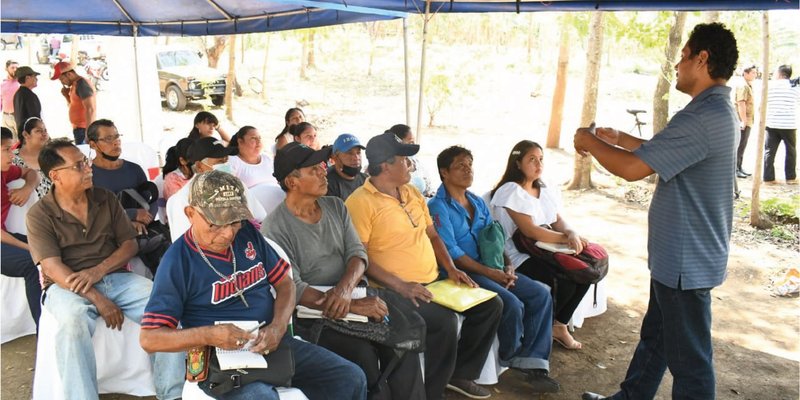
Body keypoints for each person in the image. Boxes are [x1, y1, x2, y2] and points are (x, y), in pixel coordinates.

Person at [574, 23, 739, 400]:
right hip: (681, 258)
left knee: (691, 364)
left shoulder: (700, 117)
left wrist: (589, 141)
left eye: (683, 57)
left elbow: (633, 169)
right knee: (658, 339)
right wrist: (620, 140)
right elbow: (662, 151)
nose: (678, 65)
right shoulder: (715, 110)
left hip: (685, 262)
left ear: (702, 59)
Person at [140, 170, 367, 400]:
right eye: (215, 224)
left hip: (270, 341)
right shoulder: (177, 261)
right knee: (259, 397)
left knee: (350, 377)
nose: (228, 233)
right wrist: (210, 335)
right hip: (217, 357)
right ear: (190, 213)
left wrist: (278, 327)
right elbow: (150, 338)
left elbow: (286, 285)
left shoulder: (247, 233)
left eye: (234, 221)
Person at [345, 131, 503, 400]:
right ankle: (432, 392)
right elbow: (361, 258)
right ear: (385, 165)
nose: (411, 165)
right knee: (444, 323)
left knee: (491, 305)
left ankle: (460, 374)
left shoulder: (412, 191)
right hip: (392, 289)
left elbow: (432, 234)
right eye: (405, 160)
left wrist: (452, 269)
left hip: (434, 280)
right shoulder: (360, 202)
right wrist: (402, 286)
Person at [25, 138, 185, 400]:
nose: (88, 168)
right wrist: (99, 299)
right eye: (78, 166)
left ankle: (172, 393)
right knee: (73, 321)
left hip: (114, 277)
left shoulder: (105, 198)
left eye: (85, 162)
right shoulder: (39, 214)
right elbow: (53, 268)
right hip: (66, 286)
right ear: (55, 176)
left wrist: (97, 272)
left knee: (164, 305)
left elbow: (129, 245)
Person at [263, 142, 425, 400]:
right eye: (314, 169)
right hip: (312, 313)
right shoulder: (274, 228)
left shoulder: (335, 206)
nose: (323, 171)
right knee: (363, 355)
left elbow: (358, 255)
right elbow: (293, 286)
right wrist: (348, 305)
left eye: (322, 166)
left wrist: (346, 291)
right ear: (292, 182)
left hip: (351, 294)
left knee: (405, 338)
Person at [428, 145, 560, 394]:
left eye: (470, 164)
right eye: (460, 165)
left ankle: (535, 365)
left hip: (492, 268)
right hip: (461, 273)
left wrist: (507, 265)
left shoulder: (476, 201)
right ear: (444, 172)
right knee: (511, 303)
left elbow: (495, 236)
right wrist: (492, 274)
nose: (468, 169)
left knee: (541, 293)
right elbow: (452, 252)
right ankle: (515, 356)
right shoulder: (438, 206)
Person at [489, 140, 590, 350]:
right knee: (567, 278)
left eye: (541, 159)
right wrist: (565, 238)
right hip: (517, 255)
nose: (538, 164)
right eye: (532, 159)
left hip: (544, 249)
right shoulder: (510, 191)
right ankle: (548, 326)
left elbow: (556, 220)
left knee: (587, 271)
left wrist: (571, 232)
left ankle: (558, 325)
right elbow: (530, 231)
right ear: (517, 163)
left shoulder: (542, 188)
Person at [165, 136, 267, 242]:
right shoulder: (183, 199)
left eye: (226, 159)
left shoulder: (237, 185)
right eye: (219, 162)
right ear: (199, 166)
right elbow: (185, 244)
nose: (225, 165)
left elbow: (260, 217)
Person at [1, 127, 42, 331]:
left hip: (4, 237)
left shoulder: (5, 171)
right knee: (32, 263)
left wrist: (27, 188)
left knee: (48, 247)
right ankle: (42, 332)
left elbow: (32, 173)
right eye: (6, 150)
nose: (12, 155)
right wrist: (28, 249)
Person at [764, 64, 799, 185]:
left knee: (769, 151)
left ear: (779, 73)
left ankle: (768, 178)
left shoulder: (770, 85)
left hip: (772, 123)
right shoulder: (794, 86)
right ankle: (790, 178)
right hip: (788, 124)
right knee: (791, 150)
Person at [52, 61, 96, 145]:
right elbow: (74, 106)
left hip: (83, 129)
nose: (62, 82)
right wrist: (66, 96)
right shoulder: (75, 85)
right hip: (79, 128)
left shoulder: (81, 84)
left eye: (62, 79)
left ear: (69, 74)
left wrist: (88, 132)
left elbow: (90, 108)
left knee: (84, 155)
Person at [388, 124, 433, 197]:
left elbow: (429, 188)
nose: (414, 145)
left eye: (414, 142)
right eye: (411, 142)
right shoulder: (386, 166)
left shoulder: (416, 162)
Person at [12, 117, 52, 199]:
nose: (44, 134)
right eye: (39, 131)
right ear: (25, 134)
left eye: (45, 131)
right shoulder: (11, 159)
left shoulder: (51, 157)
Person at [327, 133, 367, 201]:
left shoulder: (366, 180)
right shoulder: (327, 183)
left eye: (358, 152)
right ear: (335, 157)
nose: (356, 158)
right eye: (350, 153)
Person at [735, 65, 757, 178]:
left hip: (748, 120)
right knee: (739, 144)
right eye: (753, 72)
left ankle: (739, 166)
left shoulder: (748, 85)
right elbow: (741, 103)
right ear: (745, 73)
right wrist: (743, 121)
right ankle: (735, 169)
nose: (755, 75)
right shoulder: (743, 86)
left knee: (743, 144)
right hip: (743, 120)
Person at [12, 66, 41, 137]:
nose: (36, 79)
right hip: (32, 135)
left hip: (24, 134)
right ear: (27, 78)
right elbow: (34, 118)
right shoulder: (29, 95)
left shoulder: (18, 93)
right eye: (34, 76)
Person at [1, 60, 20, 140]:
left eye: (17, 68)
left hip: (17, 116)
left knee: (21, 141)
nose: (15, 69)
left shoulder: (21, 84)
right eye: (12, 68)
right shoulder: (2, 85)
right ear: (6, 69)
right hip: (6, 117)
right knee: (10, 141)